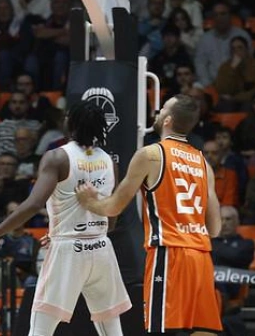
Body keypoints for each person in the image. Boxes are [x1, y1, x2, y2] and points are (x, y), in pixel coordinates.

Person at [0, 101, 131, 336]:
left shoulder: (57, 158)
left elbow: (34, 204)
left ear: (70, 123)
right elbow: (112, 217)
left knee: (40, 329)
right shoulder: (110, 162)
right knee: (111, 329)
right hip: (101, 248)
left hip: (68, 251)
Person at [75, 94, 222, 335]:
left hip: (169, 252)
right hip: (201, 256)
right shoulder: (203, 163)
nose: (158, 111)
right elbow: (215, 228)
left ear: (167, 120)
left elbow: (114, 207)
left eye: (162, 108)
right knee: (203, 330)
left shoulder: (151, 155)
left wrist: (90, 202)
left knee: (160, 329)